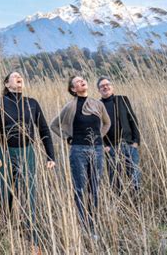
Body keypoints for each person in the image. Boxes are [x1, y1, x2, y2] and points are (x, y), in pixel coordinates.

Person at [0, 71, 56, 251]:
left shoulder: (32, 103)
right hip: (3, 154)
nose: (19, 77)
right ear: (7, 84)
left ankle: (31, 239)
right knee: (2, 196)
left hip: (27, 153)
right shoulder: (0, 102)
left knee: (28, 197)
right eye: (14, 76)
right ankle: (1, 239)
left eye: (21, 75)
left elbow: (44, 130)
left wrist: (50, 156)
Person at [50, 75, 110, 238]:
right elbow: (54, 125)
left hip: (97, 149)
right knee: (80, 188)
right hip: (78, 150)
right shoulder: (70, 106)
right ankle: (83, 226)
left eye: (83, 79)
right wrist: (67, 137)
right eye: (77, 82)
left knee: (95, 187)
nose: (82, 81)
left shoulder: (97, 104)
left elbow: (107, 123)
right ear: (73, 89)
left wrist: (99, 136)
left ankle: (93, 224)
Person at [97, 76, 141, 194]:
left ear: (112, 87)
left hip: (129, 145)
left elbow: (132, 120)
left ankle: (136, 203)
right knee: (115, 181)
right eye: (102, 86)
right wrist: (104, 146)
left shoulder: (122, 100)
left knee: (135, 179)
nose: (105, 87)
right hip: (111, 147)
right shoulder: (97, 105)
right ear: (99, 90)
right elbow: (96, 128)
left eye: (107, 84)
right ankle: (119, 207)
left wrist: (136, 142)